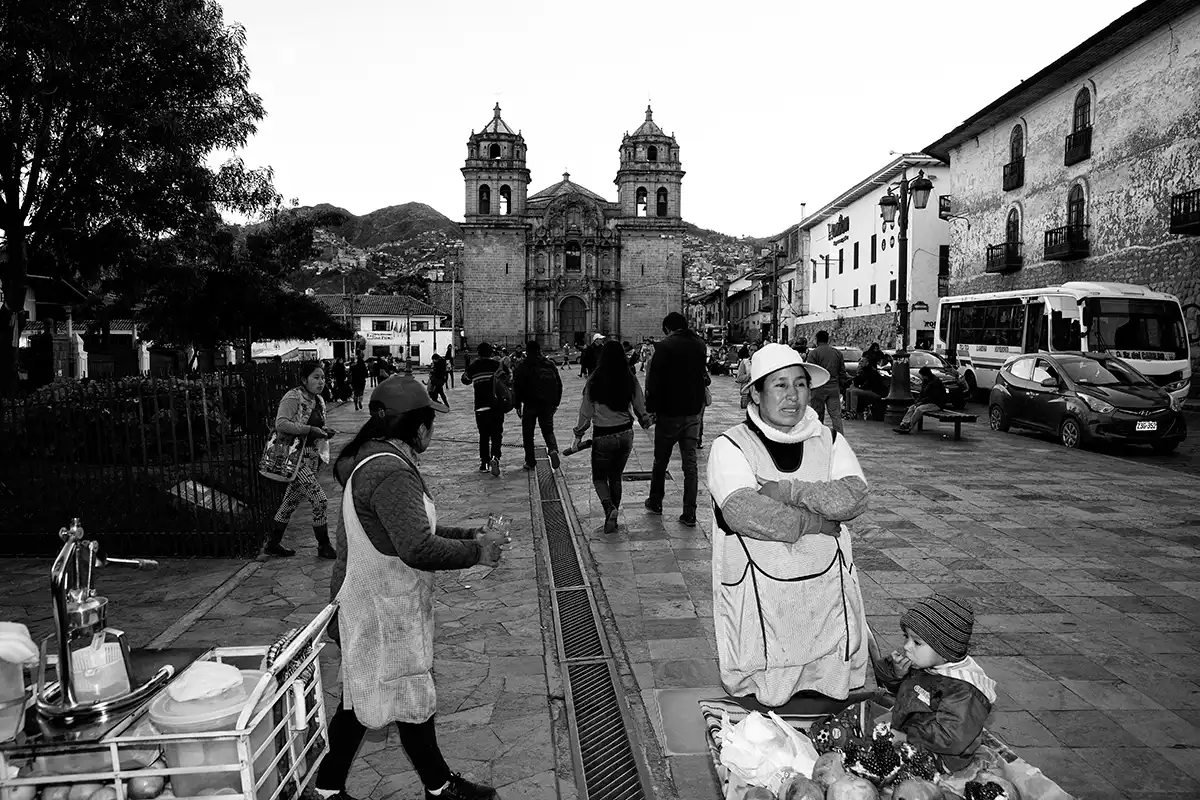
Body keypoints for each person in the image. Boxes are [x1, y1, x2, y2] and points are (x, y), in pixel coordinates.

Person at [316, 376, 508, 800]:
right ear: (416, 426)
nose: (432, 432)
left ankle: (330, 787)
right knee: (400, 694)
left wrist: (472, 535)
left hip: (373, 602)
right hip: (382, 607)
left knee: (370, 694)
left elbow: (411, 529)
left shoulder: (372, 459)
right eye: (429, 423)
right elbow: (418, 546)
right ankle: (438, 788)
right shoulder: (389, 471)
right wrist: (477, 555)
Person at [707, 343, 870, 705]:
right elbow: (744, 511)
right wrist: (815, 521)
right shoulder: (730, 447)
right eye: (779, 385)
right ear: (756, 392)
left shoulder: (830, 441)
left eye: (800, 385)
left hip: (826, 604)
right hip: (764, 609)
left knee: (829, 705)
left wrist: (787, 489)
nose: (792, 396)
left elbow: (853, 497)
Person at [872, 595, 996, 772]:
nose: (907, 646)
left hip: (939, 755)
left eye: (916, 642)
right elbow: (890, 680)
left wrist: (906, 737)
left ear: (944, 650)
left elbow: (951, 737)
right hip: (908, 728)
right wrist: (897, 674)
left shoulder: (963, 689)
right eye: (906, 637)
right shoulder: (925, 661)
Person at [571, 341, 652, 534]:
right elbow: (641, 405)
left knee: (599, 478)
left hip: (603, 435)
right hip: (625, 433)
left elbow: (586, 412)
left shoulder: (594, 379)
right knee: (615, 477)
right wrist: (646, 420)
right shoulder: (629, 378)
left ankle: (609, 510)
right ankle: (612, 519)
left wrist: (578, 435)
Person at [644, 311, 708, 527]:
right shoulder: (700, 345)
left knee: (660, 461)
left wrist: (651, 408)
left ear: (668, 329)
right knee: (690, 465)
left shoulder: (664, 347)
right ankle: (690, 513)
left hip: (669, 414)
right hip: (693, 413)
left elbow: (655, 380)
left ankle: (656, 502)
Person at [267, 362, 337, 559]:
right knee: (320, 500)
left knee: (290, 502)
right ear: (304, 379)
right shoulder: (293, 397)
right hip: (294, 459)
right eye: (316, 377)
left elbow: (316, 426)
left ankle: (273, 543)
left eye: (323, 377)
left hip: (311, 458)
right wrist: (310, 430)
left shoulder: (319, 400)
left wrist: (323, 433)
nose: (321, 381)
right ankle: (324, 545)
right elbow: (281, 423)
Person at [513, 340, 563, 471]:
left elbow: (516, 387)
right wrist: (555, 403)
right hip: (546, 404)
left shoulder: (522, 366)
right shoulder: (549, 364)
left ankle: (530, 461)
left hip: (529, 404)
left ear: (526, 351)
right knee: (548, 431)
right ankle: (552, 450)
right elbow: (559, 384)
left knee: (528, 434)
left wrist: (517, 404)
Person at [462, 342, 505, 475]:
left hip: (480, 407)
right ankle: (495, 458)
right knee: (497, 434)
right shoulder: (496, 365)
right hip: (496, 406)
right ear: (491, 352)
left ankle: (484, 463)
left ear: (478, 353)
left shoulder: (474, 366)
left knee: (484, 436)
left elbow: (465, 380)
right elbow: (507, 376)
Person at [805, 330, 850, 433]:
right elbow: (842, 372)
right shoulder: (837, 353)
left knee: (817, 416)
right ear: (828, 340)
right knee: (836, 416)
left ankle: (818, 436)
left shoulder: (814, 353)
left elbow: (810, 371)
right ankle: (840, 438)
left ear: (817, 340)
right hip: (833, 387)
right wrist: (842, 386)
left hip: (818, 387)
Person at [894, 366, 946, 434]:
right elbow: (921, 393)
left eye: (922, 375)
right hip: (926, 402)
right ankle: (904, 424)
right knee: (912, 407)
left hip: (936, 403)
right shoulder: (926, 381)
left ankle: (909, 426)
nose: (921, 377)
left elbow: (933, 397)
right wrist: (917, 402)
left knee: (919, 409)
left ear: (925, 375)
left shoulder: (936, 382)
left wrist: (921, 403)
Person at [733, 345, 752, 409]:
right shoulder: (744, 362)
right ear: (748, 351)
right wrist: (749, 376)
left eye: (756, 350)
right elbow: (739, 378)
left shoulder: (762, 363)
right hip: (747, 392)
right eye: (751, 350)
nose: (753, 352)